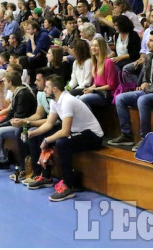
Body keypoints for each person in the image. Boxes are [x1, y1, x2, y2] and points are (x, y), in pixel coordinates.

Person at [26, 74, 104, 202]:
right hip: (77, 132)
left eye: (47, 87)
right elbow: (49, 123)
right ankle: (45, 177)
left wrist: (48, 140)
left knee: (61, 142)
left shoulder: (67, 101)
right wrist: (33, 133)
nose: (44, 89)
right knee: (42, 134)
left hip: (93, 136)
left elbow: (65, 131)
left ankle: (68, 186)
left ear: (55, 89)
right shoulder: (54, 101)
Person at [110, 30, 153, 151]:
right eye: (148, 40)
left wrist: (144, 86)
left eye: (151, 40)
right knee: (120, 98)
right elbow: (146, 77)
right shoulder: (149, 57)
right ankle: (127, 135)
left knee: (143, 100)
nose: (147, 43)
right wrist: (144, 83)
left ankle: (145, 137)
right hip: (149, 91)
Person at [122, 8, 153, 84]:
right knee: (126, 69)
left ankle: (139, 89)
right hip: (144, 58)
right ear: (149, 18)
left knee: (145, 66)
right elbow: (143, 49)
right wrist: (142, 58)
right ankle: (136, 88)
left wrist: (145, 59)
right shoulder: (147, 31)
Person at [78, 38, 119, 112]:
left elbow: (111, 85)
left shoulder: (108, 62)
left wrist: (93, 89)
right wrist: (90, 88)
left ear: (102, 48)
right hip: (98, 92)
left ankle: (91, 122)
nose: (93, 48)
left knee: (82, 99)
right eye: (92, 45)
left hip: (106, 95)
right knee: (77, 97)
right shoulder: (95, 63)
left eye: (96, 46)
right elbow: (96, 83)